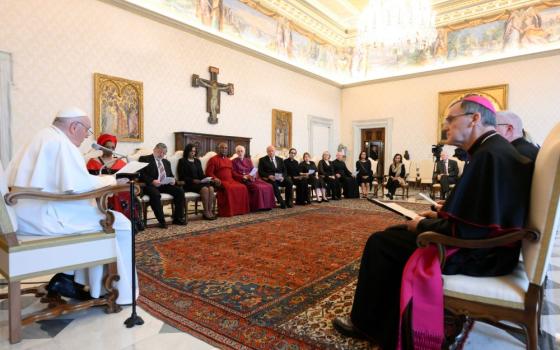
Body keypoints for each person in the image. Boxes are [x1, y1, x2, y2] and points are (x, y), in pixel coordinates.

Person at [332, 95, 533, 349]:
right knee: (393, 235)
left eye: (450, 119)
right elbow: (479, 215)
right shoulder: (492, 150)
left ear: (475, 118)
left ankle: (368, 325)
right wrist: (441, 215)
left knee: (381, 243)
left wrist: (422, 226)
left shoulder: (487, 155)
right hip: (492, 248)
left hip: (481, 254)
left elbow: (468, 230)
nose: (445, 126)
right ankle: (389, 321)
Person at [6, 107, 136, 304]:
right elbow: (78, 187)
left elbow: (69, 182)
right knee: (119, 222)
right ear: (74, 126)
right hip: (45, 216)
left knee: (95, 217)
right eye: (87, 130)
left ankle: (71, 278)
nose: (86, 136)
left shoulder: (43, 136)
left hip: (26, 212)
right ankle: (118, 293)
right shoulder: (61, 144)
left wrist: (102, 179)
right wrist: (112, 182)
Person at [86, 133, 143, 230]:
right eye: (107, 147)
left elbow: (128, 178)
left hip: (119, 188)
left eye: (113, 147)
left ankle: (131, 225)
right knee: (117, 196)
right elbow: (90, 180)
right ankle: (116, 223)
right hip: (102, 190)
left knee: (130, 194)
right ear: (101, 146)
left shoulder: (120, 161)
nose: (111, 149)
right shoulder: (93, 162)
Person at [139, 143, 186, 228]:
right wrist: (152, 181)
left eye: (164, 153)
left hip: (164, 184)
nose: (161, 155)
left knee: (179, 191)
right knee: (156, 194)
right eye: (160, 152)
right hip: (150, 185)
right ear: (155, 149)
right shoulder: (144, 159)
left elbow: (170, 175)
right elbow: (141, 174)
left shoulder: (166, 162)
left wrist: (173, 181)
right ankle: (162, 220)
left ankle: (178, 218)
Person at [206, 142, 250, 217]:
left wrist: (242, 177)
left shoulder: (228, 160)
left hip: (231, 180)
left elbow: (233, 173)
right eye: (222, 148)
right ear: (218, 149)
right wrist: (215, 178)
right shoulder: (213, 159)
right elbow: (209, 173)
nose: (224, 149)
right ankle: (228, 211)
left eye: (225, 148)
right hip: (221, 181)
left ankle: (239, 210)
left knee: (243, 187)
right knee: (229, 188)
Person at [177, 143, 216, 220]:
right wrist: (193, 180)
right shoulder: (182, 161)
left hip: (199, 183)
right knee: (205, 189)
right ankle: (205, 212)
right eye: (191, 151)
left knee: (211, 188)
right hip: (189, 184)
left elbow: (201, 174)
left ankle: (209, 211)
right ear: (187, 151)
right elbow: (181, 176)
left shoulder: (197, 161)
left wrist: (207, 178)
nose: (193, 153)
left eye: (194, 151)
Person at [231, 145, 275, 211]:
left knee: (269, 186)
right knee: (258, 188)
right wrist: (244, 176)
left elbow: (253, 170)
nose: (240, 153)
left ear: (244, 152)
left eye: (241, 151)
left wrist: (253, 176)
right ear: (236, 153)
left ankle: (267, 206)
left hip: (252, 178)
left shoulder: (248, 160)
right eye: (238, 151)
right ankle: (258, 207)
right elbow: (233, 173)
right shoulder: (233, 161)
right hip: (243, 179)